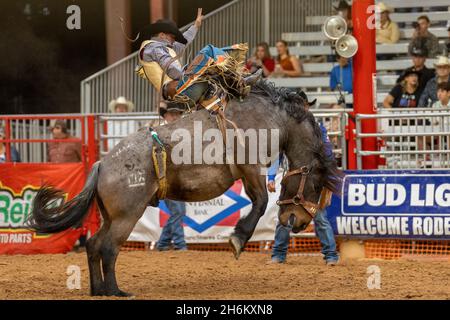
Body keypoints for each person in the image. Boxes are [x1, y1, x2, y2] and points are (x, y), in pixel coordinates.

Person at [137, 8, 261, 109]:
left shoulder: (162, 47)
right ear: (162, 35)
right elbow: (172, 69)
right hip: (180, 91)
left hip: (179, 91)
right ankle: (240, 80)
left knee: (213, 61)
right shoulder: (154, 48)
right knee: (209, 51)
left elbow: (183, 42)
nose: (174, 40)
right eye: (172, 36)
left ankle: (239, 83)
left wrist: (196, 25)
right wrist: (189, 72)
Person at [267, 92, 339, 266]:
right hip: (294, 178)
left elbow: (327, 154)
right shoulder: (288, 129)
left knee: (319, 217)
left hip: (313, 179)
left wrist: (328, 181)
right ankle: (279, 255)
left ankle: (330, 256)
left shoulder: (317, 128)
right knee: (285, 216)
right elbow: (277, 154)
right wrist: (270, 176)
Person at [156, 103, 188, 251]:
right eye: (172, 113)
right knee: (178, 211)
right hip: (167, 178)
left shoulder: (182, 133)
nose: (175, 116)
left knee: (178, 212)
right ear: (166, 116)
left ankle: (162, 243)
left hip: (178, 179)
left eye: (177, 114)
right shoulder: (160, 133)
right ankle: (180, 244)